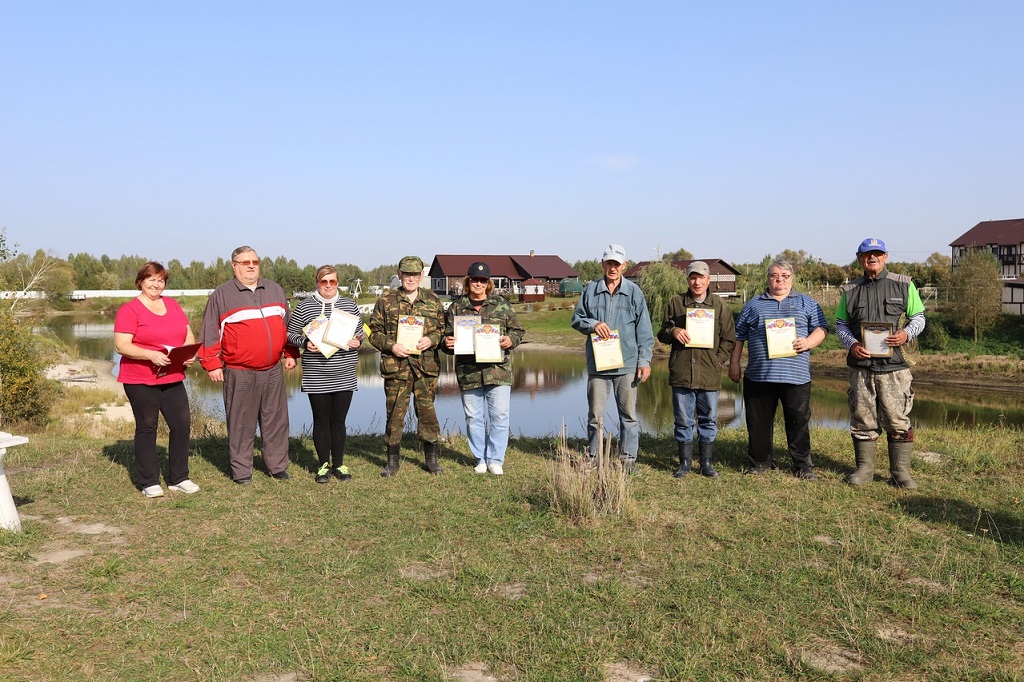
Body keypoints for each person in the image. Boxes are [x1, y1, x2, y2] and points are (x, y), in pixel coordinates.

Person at [198, 246, 299, 485]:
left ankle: (277, 467)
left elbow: (287, 326)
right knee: (241, 422)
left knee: (276, 421)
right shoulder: (221, 296)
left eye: (255, 261)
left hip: (273, 369)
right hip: (239, 371)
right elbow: (210, 333)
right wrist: (212, 364)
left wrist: (290, 352)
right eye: (245, 262)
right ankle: (242, 472)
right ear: (234, 266)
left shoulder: (274, 289)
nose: (251, 266)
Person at [836, 238, 926, 489]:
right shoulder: (850, 289)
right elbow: (840, 324)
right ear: (859, 258)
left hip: (895, 368)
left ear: (885, 256)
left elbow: (919, 317)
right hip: (861, 367)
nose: (871, 258)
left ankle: (901, 473)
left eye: (876, 253)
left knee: (897, 420)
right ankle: (864, 469)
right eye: (867, 254)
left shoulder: (904, 284)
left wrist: (907, 334)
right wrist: (852, 344)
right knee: (862, 419)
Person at [728, 260, 828, 480]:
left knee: (798, 421)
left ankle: (803, 466)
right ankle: (760, 463)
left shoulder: (807, 303)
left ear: (791, 278)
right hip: (759, 375)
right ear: (768, 278)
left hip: (796, 376)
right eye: (774, 275)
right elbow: (738, 336)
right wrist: (734, 363)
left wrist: (809, 342)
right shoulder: (753, 305)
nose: (779, 280)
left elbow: (822, 328)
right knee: (758, 422)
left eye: (784, 275)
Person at [113, 262, 199, 498]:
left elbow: (187, 334)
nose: (156, 284)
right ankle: (148, 480)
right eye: (151, 279)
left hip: (171, 375)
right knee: (148, 426)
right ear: (141, 281)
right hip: (140, 378)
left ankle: (179, 477)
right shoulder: (129, 310)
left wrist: (189, 354)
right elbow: (121, 345)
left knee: (181, 424)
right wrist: (150, 354)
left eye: (160, 280)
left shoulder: (172, 304)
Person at [571, 244, 655, 472]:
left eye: (617, 264)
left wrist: (644, 361)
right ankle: (593, 457)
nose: (613, 268)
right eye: (609, 263)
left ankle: (628, 460)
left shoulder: (635, 293)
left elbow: (645, 332)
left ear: (624, 266)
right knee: (595, 415)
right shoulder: (590, 290)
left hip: (627, 365)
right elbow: (576, 318)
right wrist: (593, 324)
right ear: (603, 264)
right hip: (598, 365)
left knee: (628, 415)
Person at [442, 262, 525, 475]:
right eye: (474, 279)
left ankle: (496, 459)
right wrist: (447, 343)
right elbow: (447, 337)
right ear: (467, 281)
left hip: (498, 371)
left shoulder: (502, 305)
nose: (478, 283)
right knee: (473, 417)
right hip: (469, 372)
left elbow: (518, 331)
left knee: (499, 416)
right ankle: (480, 457)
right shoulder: (456, 307)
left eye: (483, 280)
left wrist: (510, 340)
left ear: (488, 283)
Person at [657, 261, 736, 478]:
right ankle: (684, 463)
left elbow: (729, 340)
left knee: (709, 418)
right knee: (683, 419)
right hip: (682, 371)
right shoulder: (676, 303)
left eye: (701, 277)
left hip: (709, 373)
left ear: (708, 280)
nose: (697, 282)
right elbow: (661, 333)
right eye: (693, 277)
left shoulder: (720, 306)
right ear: (688, 280)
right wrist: (673, 332)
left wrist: (717, 360)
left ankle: (706, 463)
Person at [368, 256, 446, 477]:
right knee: (394, 415)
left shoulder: (433, 300)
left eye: (415, 274)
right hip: (397, 366)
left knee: (428, 413)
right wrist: (391, 346)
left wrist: (431, 340)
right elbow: (373, 333)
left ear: (421, 276)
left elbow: (443, 330)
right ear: (399, 274)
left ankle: (431, 460)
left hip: (425, 367)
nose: (410, 278)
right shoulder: (385, 301)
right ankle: (392, 462)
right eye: (406, 273)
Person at [286, 265, 364, 484]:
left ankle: (339, 464)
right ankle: (323, 466)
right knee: (321, 420)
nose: (329, 286)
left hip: (344, 371)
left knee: (338, 421)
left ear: (338, 283)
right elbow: (290, 334)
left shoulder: (349, 305)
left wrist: (358, 340)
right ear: (317, 283)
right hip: (317, 371)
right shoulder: (305, 306)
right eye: (324, 282)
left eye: (333, 282)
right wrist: (305, 342)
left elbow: (360, 331)